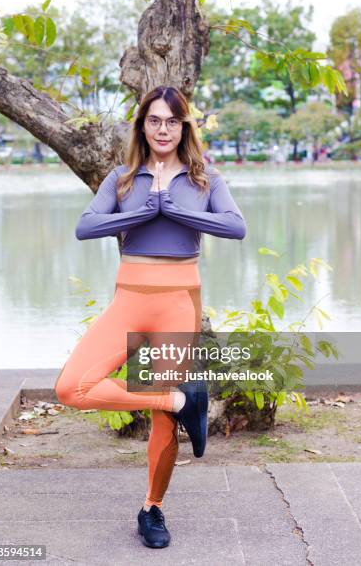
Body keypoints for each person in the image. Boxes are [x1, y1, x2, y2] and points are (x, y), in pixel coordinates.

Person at [54, 85, 247, 549]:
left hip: (179, 298)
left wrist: (179, 212)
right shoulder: (121, 178)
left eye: (173, 121)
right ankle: (180, 402)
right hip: (129, 299)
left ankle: (152, 509)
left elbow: (236, 226)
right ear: (142, 125)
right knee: (72, 387)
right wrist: (139, 213)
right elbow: (85, 226)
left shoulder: (205, 179)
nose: (163, 129)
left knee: (162, 428)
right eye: (154, 120)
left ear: (185, 128)